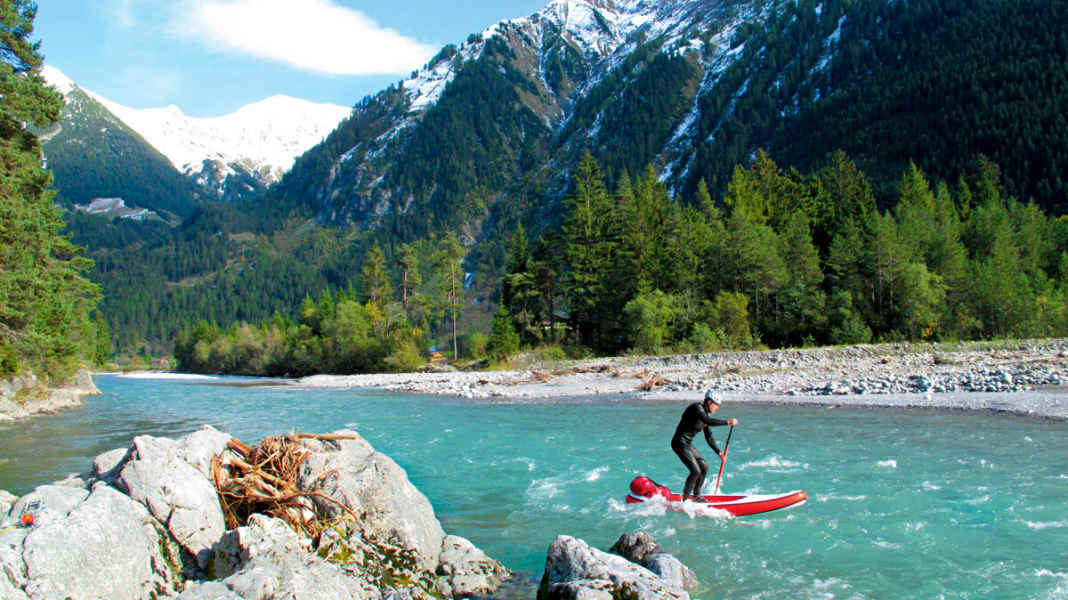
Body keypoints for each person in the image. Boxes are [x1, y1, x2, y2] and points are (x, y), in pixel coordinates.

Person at [671, 390, 738, 502]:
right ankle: (685, 500)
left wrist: (719, 453)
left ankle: (697, 497)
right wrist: (727, 422)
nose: (717, 408)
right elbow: (709, 421)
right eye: (716, 404)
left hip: (687, 444)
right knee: (695, 471)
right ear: (709, 402)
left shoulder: (705, 416)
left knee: (704, 466)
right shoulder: (697, 408)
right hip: (679, 442)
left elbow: (709, 437)